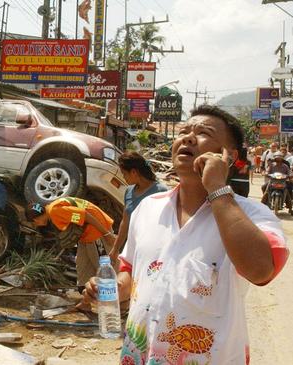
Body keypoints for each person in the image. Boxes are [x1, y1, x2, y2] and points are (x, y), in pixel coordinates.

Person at [83, 105, 288, 364]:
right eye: (183, 131)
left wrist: (216, 187)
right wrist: (112, 289)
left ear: (230, 156)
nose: (188, 138)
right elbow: (132, 271)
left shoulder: (252, 215)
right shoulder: (148, 207)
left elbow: (261, 270)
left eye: (204, 133)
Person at [26, 197, 116, 291]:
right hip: (85, 236)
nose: (36, 225)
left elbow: (85, 215)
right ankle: (86, 298)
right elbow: (77, 218)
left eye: (34, 223)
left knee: (105, 269)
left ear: (35, 220)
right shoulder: (52, 210)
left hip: (96, 232)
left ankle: (114, 298)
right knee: (83, 269)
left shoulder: (55, 211)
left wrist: (107, 234)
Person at [108, 152, 168, 263]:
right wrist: (115, 249)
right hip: (133, 249)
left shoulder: (161, 191)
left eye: (124, 174)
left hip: (154, 251)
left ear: (134, 172)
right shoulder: (129, 191)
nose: (123, 177)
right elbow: (125, 223)